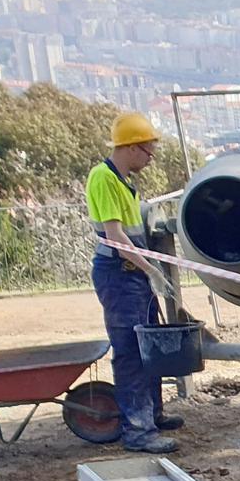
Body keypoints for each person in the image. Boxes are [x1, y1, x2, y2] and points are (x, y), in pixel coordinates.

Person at [87, 111, 179, 454]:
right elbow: (115, 237)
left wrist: (147, 269)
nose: (150, 160)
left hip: (134, 274)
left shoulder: (125, 180)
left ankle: (152, 414)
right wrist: (152, 269)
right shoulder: (104, 178)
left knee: (148, 348)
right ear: (131, 148)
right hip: (120, 275)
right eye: (148, 153)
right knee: (131, 352)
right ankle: (138, 431)